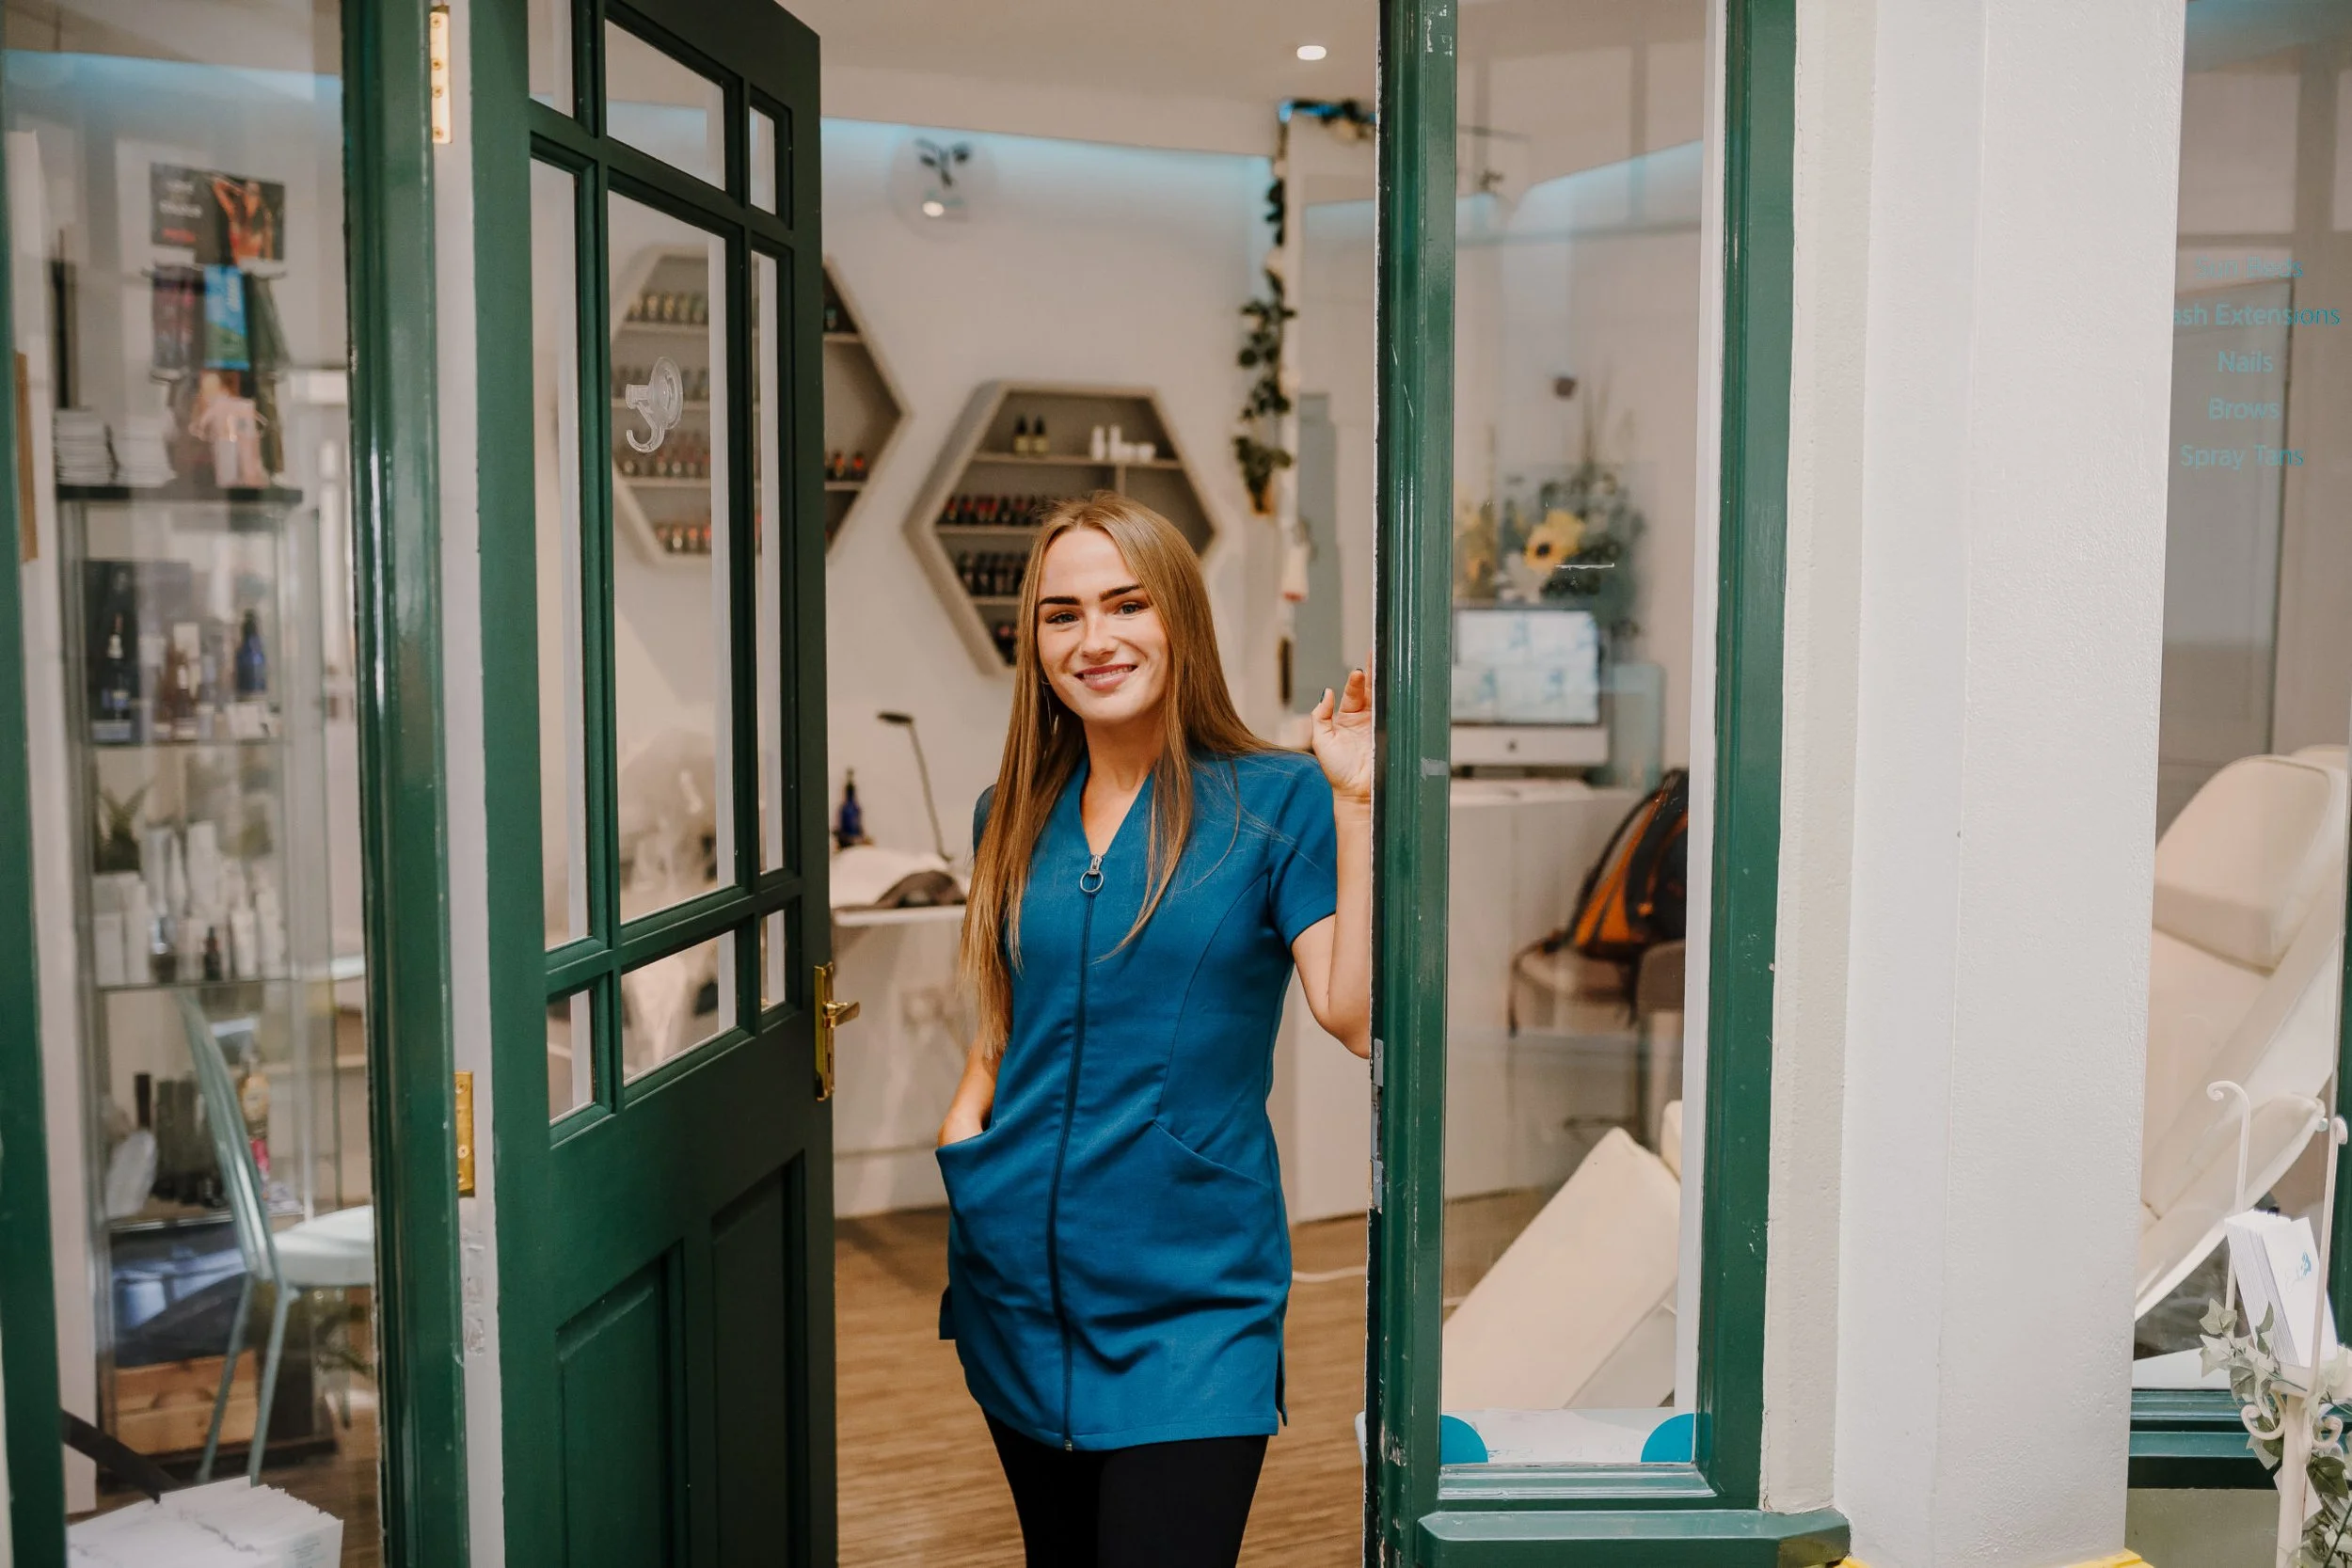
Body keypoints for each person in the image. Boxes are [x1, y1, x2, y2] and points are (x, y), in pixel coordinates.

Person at [936, 491, 1372, 1568]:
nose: (1095, 638)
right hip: (1017, 1287)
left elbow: (1355, 1015)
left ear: (1179, 616)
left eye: (1126, 604)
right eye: (1062, 613)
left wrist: (1358, 806)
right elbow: (1008, 1004)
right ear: (1034, 641)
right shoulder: (1009, 809)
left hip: (1192, 1303)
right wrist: (967, 1122)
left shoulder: (1278, 800)